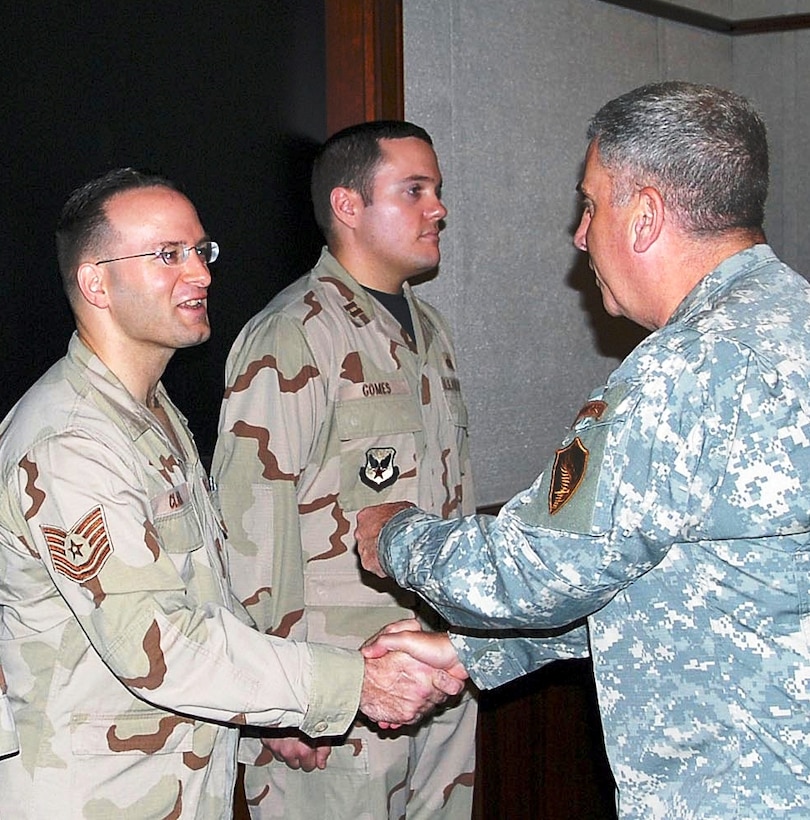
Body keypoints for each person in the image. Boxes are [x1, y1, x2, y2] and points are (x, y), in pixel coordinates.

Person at [356, 81, 810, 818]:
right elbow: (672, 574)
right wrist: (476, 653)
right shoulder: (790, 324)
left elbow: (534, 567)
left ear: (646, 216)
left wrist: (396, 538)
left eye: (592, 204)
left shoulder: (687, 368)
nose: (579, 234)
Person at [0, 168, 466, 819]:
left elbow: (209, 595)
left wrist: (275, 717)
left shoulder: (148, 415)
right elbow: (160, 642)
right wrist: (352, 685)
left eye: (201, 251)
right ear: (95, 282)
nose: (200, 272)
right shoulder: (71, 442)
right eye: (168, 255)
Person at [212, 121, 478, 819]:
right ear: (349, 205)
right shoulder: (295, 334)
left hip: (439, 673)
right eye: (414, 190)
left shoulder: (431, 333)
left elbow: (452, 500)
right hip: (337, 688)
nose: (438, 209)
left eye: (438, 191)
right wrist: (278, 701)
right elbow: (248, 529)